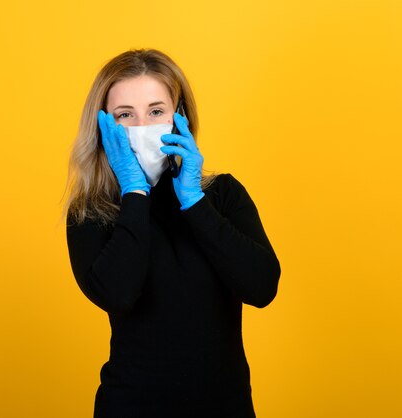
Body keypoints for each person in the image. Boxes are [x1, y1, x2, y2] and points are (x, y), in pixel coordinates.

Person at [65, 48, 281, 418]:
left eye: (155, 112)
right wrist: (134, 192)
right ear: (103, 127)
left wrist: (195, 201)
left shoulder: (222, 195)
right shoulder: (91, 213)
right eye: (124, 115)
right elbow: (117, 294)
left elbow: (262, 287)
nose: (142, 127)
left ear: (178, 117)